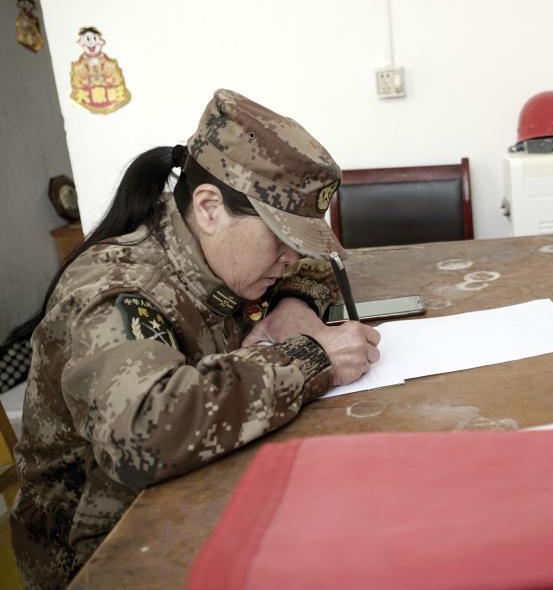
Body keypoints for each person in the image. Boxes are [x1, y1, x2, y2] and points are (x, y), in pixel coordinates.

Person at [11, 89, 381, 589]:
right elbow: (143, 433)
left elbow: (314, 266)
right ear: (208, 207)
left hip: (200, 496)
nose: (292, 257)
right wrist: (312, 358)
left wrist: (294, 305)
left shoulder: (211, 247)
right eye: (281, 238)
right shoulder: (113, 290)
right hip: (105, 550)